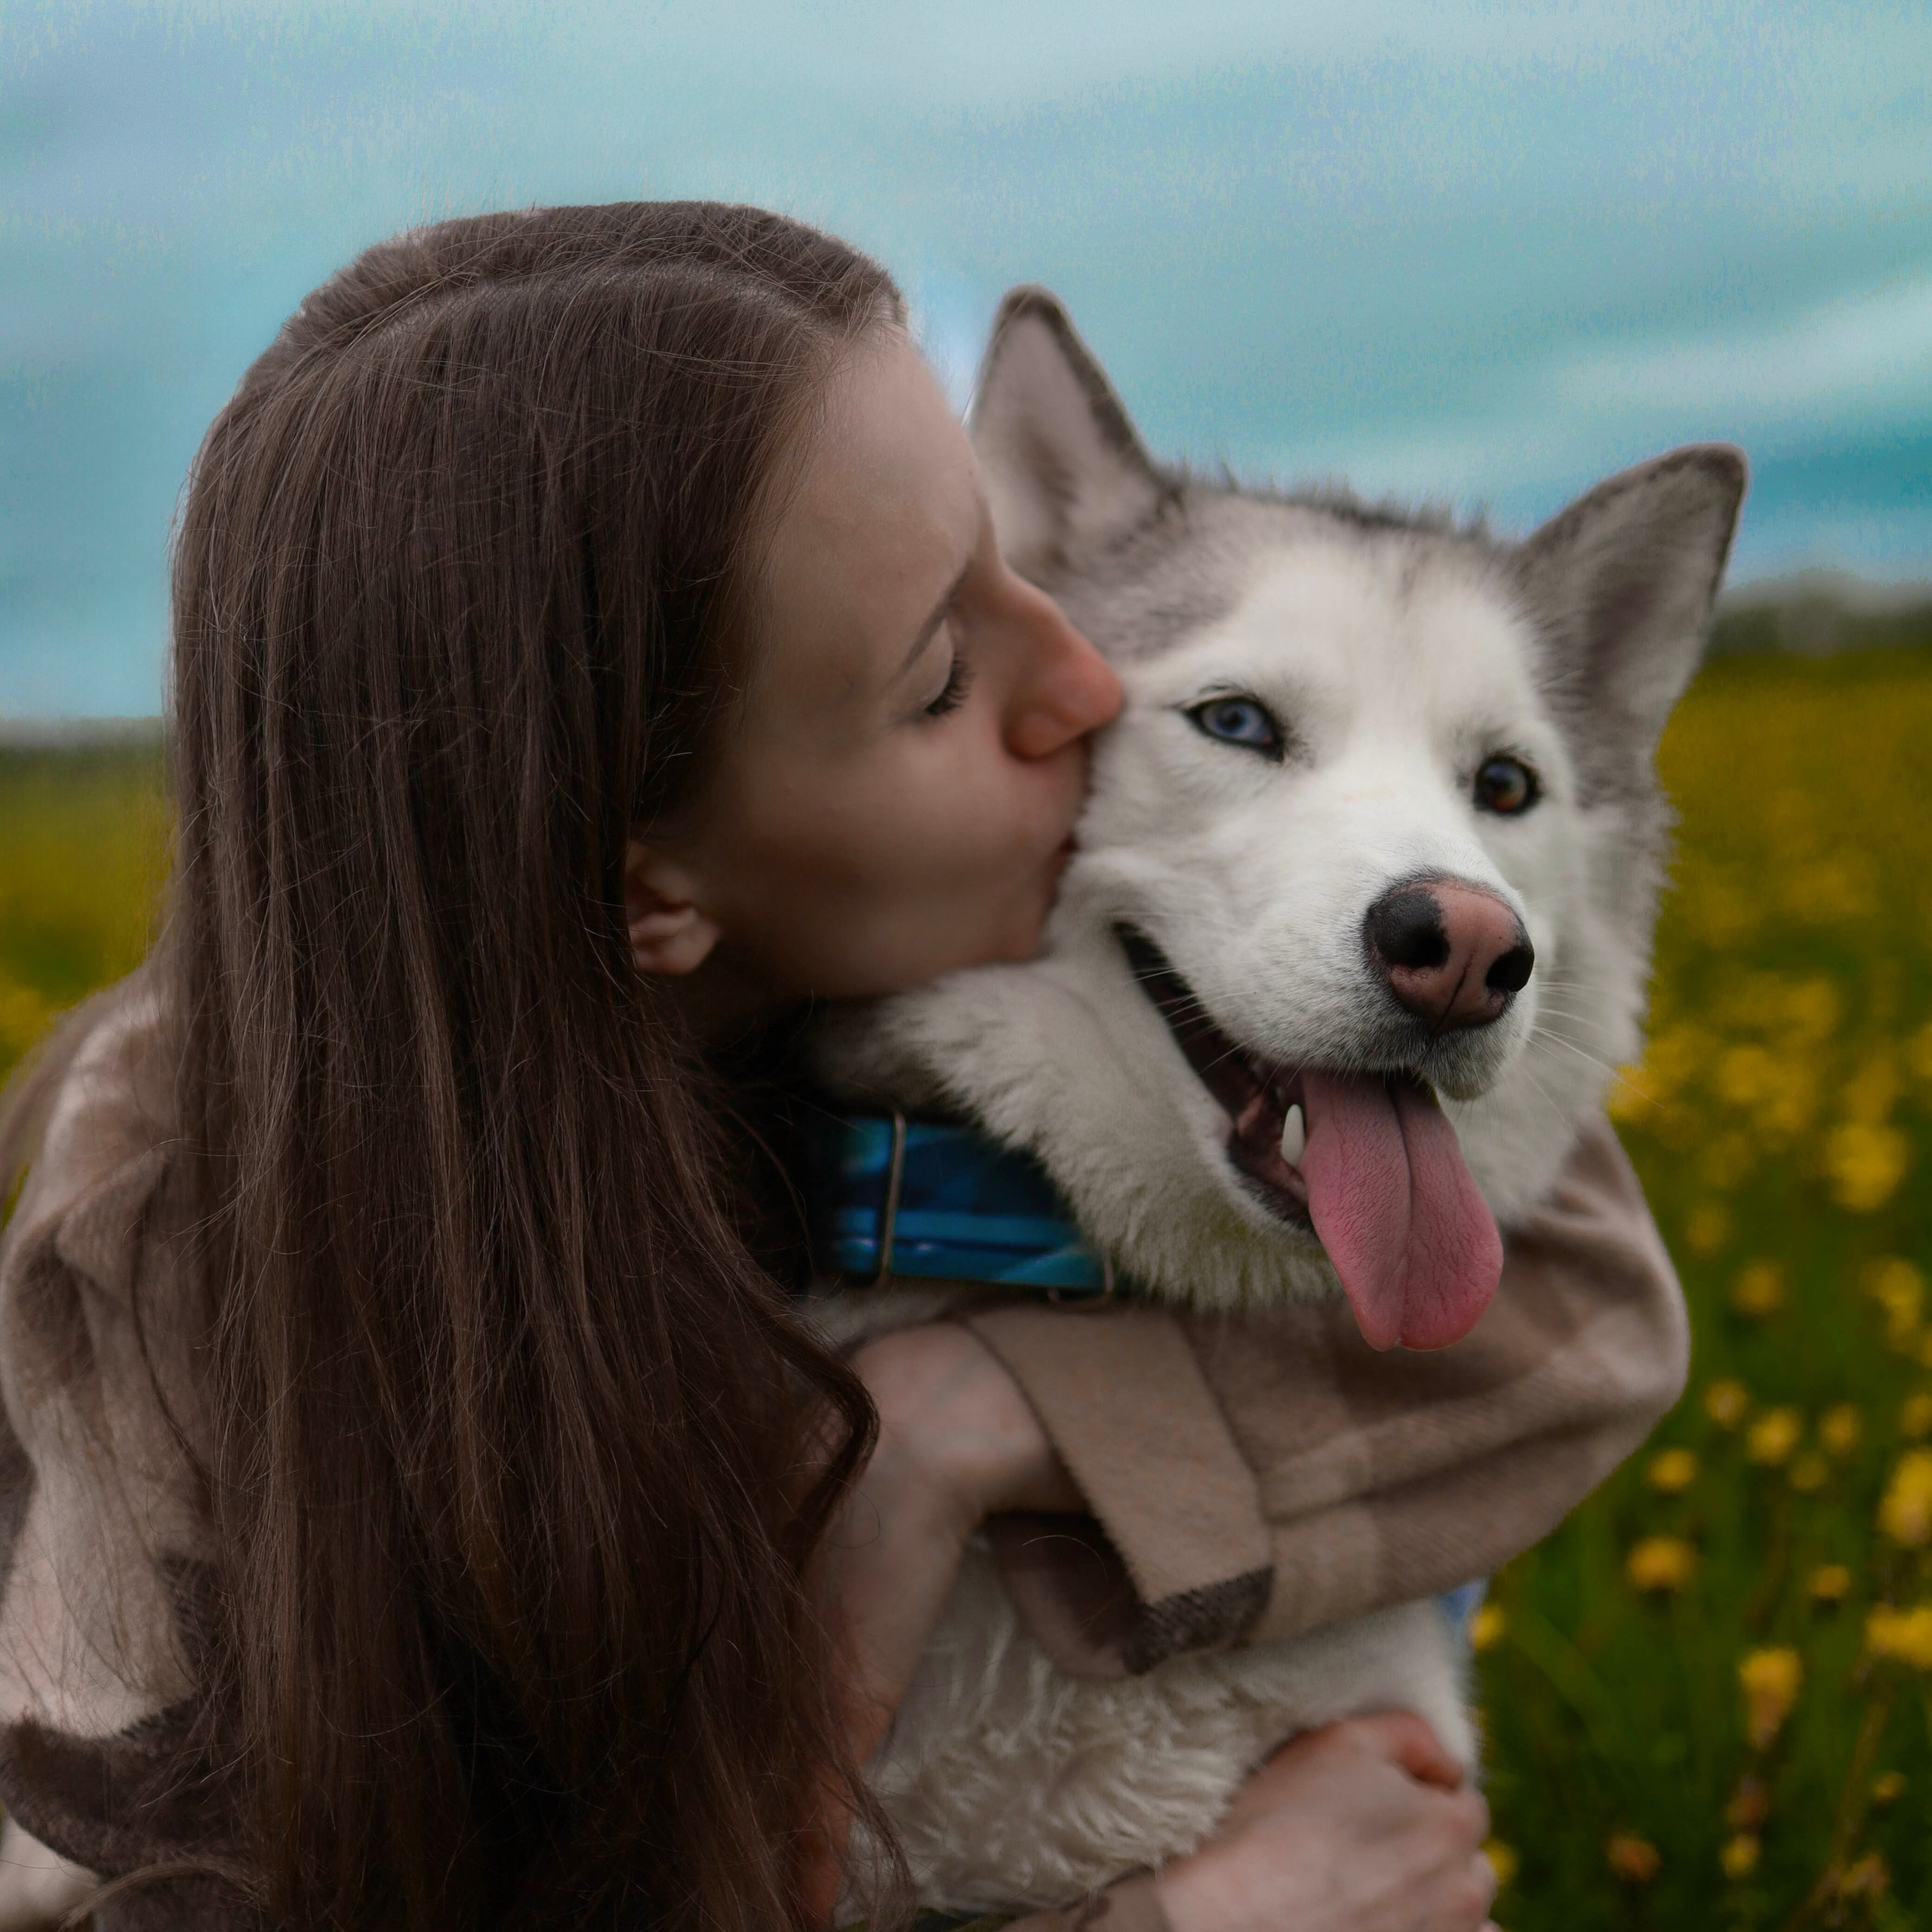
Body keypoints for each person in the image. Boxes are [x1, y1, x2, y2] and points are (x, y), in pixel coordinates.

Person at [0, 203, 1681, 1932]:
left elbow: (1589, 1294)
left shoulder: (1239, 1058)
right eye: (940, 672)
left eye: (1005, 557)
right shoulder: (174, 1266)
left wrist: (976, 1416)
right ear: (648, 876)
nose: (1089, 672)